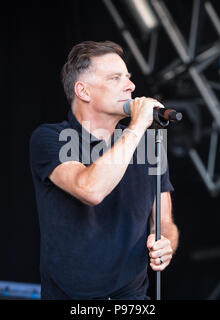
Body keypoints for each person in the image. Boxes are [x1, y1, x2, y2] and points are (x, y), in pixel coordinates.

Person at [30, 40, 179, 300]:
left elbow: (164, 221)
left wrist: (166, 242)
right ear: (83, 91)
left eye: (128, 77)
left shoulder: (148, 145)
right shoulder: (50, 138)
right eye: (115, 78)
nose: (131, 86)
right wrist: (136, 127)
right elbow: (91, 189)